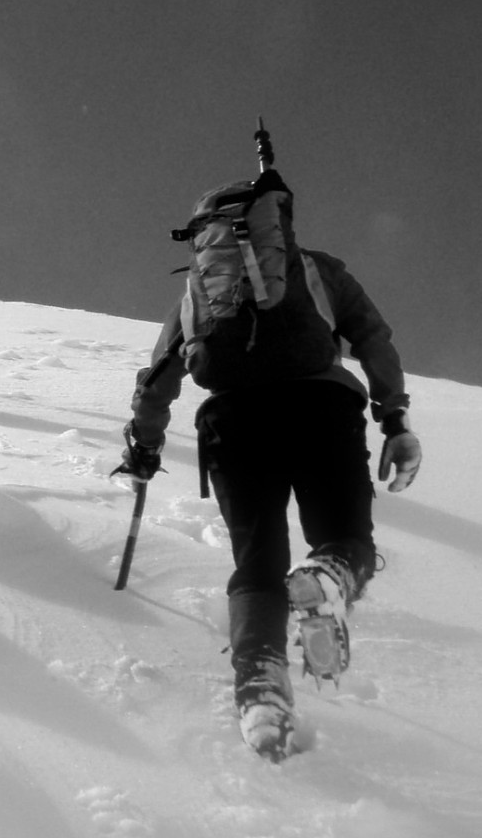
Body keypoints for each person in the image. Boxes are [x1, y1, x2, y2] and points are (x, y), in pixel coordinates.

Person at [120, 162, 423, 759]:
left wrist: (145, 445)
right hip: (321, 405)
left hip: (234, 422)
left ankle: (261, 690)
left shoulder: (202, 293)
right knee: (345, 540)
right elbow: (373, 338)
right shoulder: (319, 269)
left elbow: (159, 377)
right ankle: (328, 578)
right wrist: (395, 419)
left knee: (257, 565)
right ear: (278, 221)